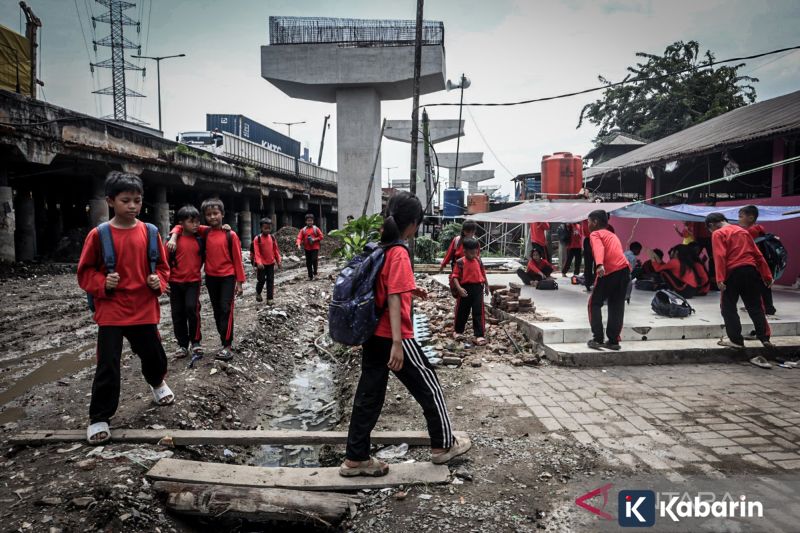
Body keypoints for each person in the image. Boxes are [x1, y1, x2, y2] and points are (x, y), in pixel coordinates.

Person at [341, 191, 471, 477]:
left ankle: (355, 457)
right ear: (413, 224)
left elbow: (385, 287)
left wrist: (411, 289)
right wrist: (398, 343)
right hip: (393, 335)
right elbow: (393, 298)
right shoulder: (399, 252)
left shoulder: (382, 247)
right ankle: (443, 446)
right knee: (429, 385)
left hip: (373, 334)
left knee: (369, 395)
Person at [77, 172, 172, 445]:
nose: (132, 206)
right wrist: (103, 283)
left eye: (137, 201)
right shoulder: (99, 235)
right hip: (112, 310)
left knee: (154, 356)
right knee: (108, 364)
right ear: (110, 201)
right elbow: (85, 273)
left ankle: (157, 382)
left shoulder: (150, 232)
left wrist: (158, 281)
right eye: (125, 200)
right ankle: (99, 417)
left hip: (143, 308)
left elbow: (163, 268)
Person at [168, 198, 245, 361]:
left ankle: (227, 345)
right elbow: (182, 225)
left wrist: (239, 282)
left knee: (226, 309)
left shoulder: (230, 235)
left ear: (222, 214)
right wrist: (173, 237)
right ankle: (221, 342)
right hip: (211, 278)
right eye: (209, 214)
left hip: (228, 278)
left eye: (216, 213)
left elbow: (237, 259)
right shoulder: (205, 231)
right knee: (217, 311)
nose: (212, 217)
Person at [706, 212, 773, 352]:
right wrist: (767, 275)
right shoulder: (743, 231)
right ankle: (764, 338)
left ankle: (736, 341)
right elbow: (758, 255)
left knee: (728, 307)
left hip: (733, 273)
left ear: (711, 225)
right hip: (751, 271)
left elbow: (719, 256)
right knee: (755, 306)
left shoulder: (718, 233)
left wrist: (720, 278)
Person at [586, 210, 630, 351]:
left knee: (594, 303)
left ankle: (598, 339)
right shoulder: (612, 235)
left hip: (609, 271)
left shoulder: (595, 234)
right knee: (616, 305)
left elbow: (599, 248)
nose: (587, 225)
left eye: (588, 222)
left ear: (595, 222)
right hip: (624, 270)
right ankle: (613, 341)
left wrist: (599, 264)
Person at [168, 205, 205, 360]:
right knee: (177, 314)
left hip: (193, 282)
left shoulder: (200, 239)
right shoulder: (171, 242)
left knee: (192, 309)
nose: (195, 225)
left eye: (197, 221)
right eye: (191, 222)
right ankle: (182, 344)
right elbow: (164, 263)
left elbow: (213, 228)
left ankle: (195, 341)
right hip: (175, 282)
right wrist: (164, 281)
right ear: (181, 223)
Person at [450, 238, 489, 346]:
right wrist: (459, 288)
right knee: (462, 311)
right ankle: (458, 331)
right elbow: (455, 277)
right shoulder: (460, 262)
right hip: (465, 288)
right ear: (465, 251)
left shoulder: (478, 261)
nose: (474, 255)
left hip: (478, 289)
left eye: (476, 252)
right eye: (471, 253)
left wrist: (486, 286)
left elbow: (483, 274)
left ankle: (479, 334)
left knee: (478, 312)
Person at [739, 205, 776, 315]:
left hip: (755, 262)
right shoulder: (759, 228)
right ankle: (767, 307)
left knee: (758, 286)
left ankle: (766, 308)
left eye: (741, 216)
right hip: (761, 261)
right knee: (763, 286)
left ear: (751, 218)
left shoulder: (751, 230)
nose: (739, 219)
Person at [253, 217, 282, 304]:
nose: (267, 230)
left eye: (269, 228)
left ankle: (270, 299)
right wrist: (259, 262)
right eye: (265, 228)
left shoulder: (272, 238)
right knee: (261, 280)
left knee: (270, 281)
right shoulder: (257, 239)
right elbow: (257, 252)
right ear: (261, 228)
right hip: (261, 265)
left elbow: (276, 250)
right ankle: (258, 292)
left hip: (271, 263)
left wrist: (278, 261)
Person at [296, 213, 324, 280]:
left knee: (314, 260)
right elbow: (299, 237)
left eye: (311, 221)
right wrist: (298, 244)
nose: (309, 222)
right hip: (307, 248)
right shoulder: (303, 230)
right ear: (306, 222)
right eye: (308, 221)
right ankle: (310, 276)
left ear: (313, 221)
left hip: (315, 248)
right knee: (308, 262)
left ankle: (315, 273)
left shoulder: (316, 229)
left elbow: (321, 236)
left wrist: (314, 239)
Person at [581, 218, 594, 291]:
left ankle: (589, 284)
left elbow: (584, 232)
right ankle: (593, 284)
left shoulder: (585, 219)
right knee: (596, 265)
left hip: (590, 240)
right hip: (592, 240)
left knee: (589, 265)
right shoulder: (586, 219)